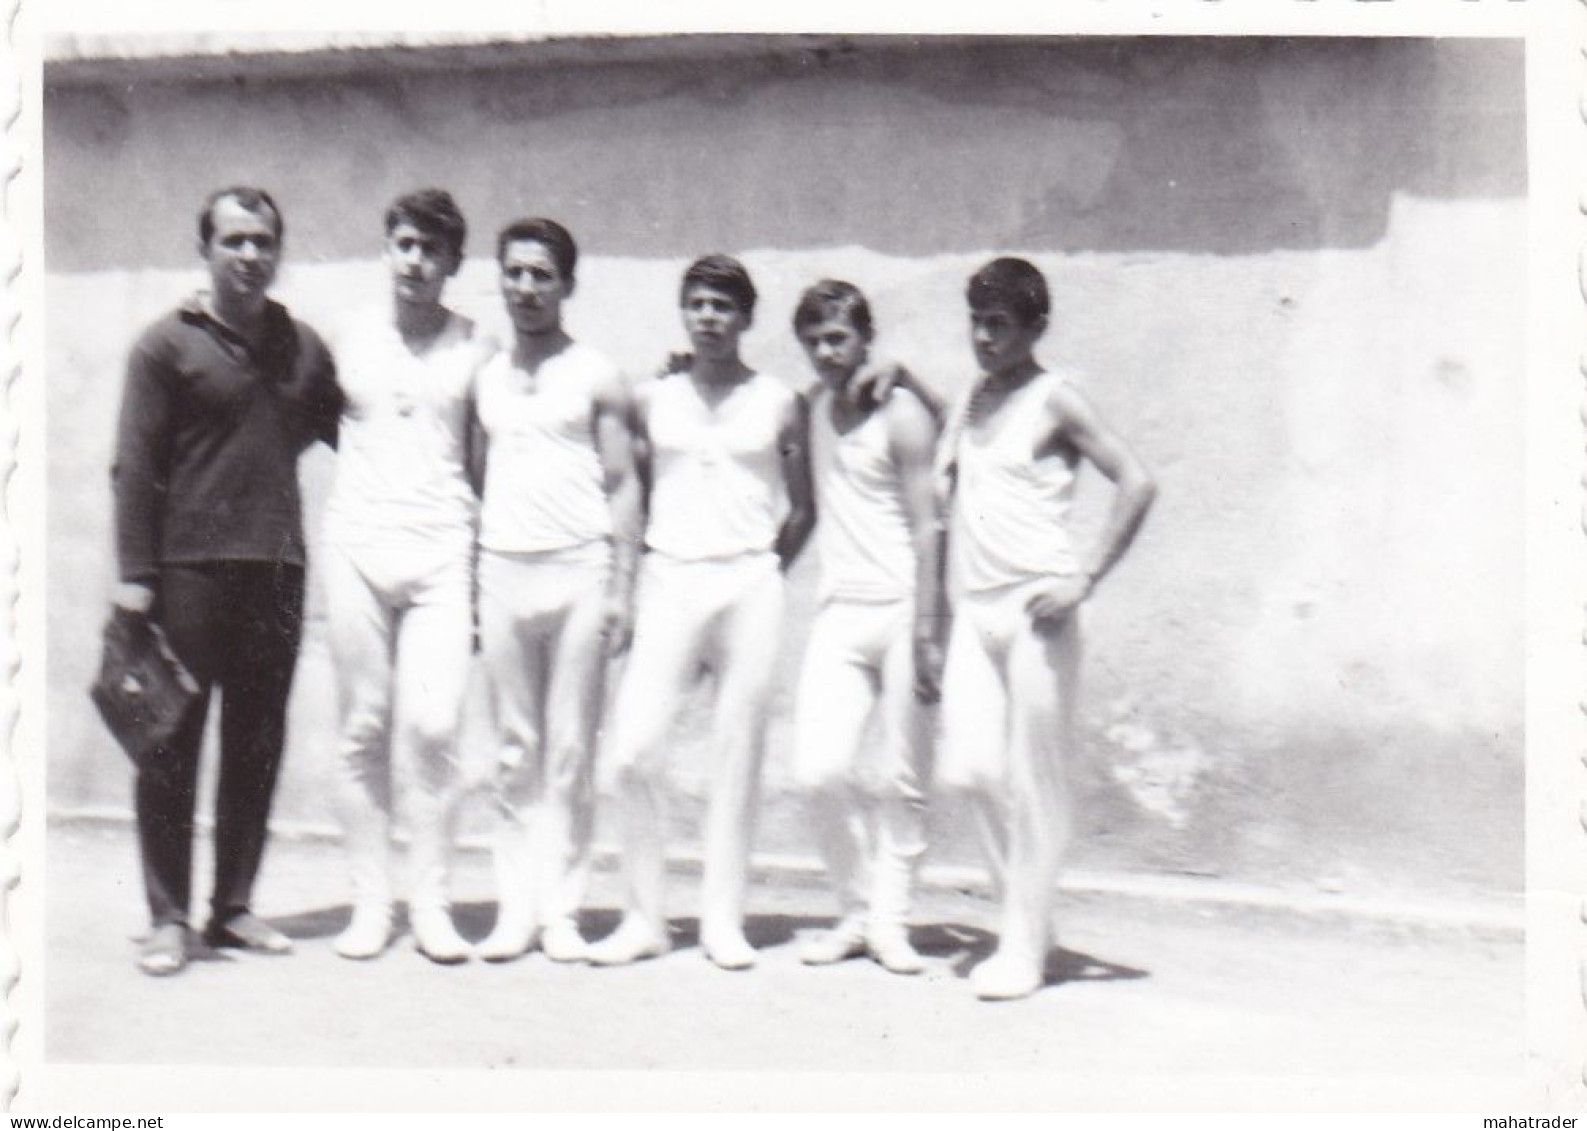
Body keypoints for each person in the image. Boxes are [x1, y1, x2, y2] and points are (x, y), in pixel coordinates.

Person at [111, 186, 341, 976]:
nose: (250, 255)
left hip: (276, 569)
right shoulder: (164, 346)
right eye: (234, 240)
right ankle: (169, 917)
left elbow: (353, 431)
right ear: (205, 249)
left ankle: (232, 906)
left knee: (257, 741)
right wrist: (135, 576)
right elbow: (135, 468)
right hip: (187, 572)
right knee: (170, 740)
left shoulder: (303, 348)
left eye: (263, 241)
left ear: (279, 251)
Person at [587, 254, 816, 970]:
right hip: (668, 579)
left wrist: (762, 568)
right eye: (698, 304)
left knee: (736, 754)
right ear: (684, 314)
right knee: (630, 750)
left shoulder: (779, 399)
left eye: (723, 305)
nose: (710, 316)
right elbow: (634, 489)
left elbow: (805, 506)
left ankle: (722, 919)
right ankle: (643, 916)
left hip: (748, 583)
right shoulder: (653, 397)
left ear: (746, 318)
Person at [936, 257, 1156, 1000]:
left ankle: (1022, 945)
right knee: (969, 768)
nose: (983, 336)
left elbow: (1136, 479)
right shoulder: (971, 395)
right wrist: (900, 375)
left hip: (1038, 611)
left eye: (998, 323)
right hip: (976, 610)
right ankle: (1026, 918)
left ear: (1033, 327)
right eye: (975, 321)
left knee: (1036, 783)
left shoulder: (1056, 400)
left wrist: (1083, 578)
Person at [322, 189, 491, 964]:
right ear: (386, 249)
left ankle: (430, 901)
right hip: (357, 546)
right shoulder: (347, 340)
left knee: (431, 728)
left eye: (431, 249)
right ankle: (370, 901)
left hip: (441, 553)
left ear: (454, 262)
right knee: (363, 726)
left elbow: (498, 453)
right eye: (404, 244)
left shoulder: (475, 346)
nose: (415, 261)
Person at [471, 218, 641, 963]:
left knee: (570, 748)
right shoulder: (485, 376)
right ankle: (516, 906)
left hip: (579, 569)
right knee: (514, 748)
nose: (526, 287)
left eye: (542, 274)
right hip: (504, 568)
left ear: (566, 285)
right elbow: (478, 475)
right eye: (514, 272)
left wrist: (622, 587)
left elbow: (625, 481)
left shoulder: (596, 373)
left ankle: (562, 912)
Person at [787, 280, 946, 976]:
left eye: (839, 338)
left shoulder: (901, 413)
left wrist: (928, 622)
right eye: (815, 340)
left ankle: (891, 922)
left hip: (903, 607)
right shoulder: (809, 409)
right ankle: (855, 908)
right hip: (839, 613)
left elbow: (928, 520)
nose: (827, 352)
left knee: (902, 780)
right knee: (816, 772)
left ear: (864, 339)